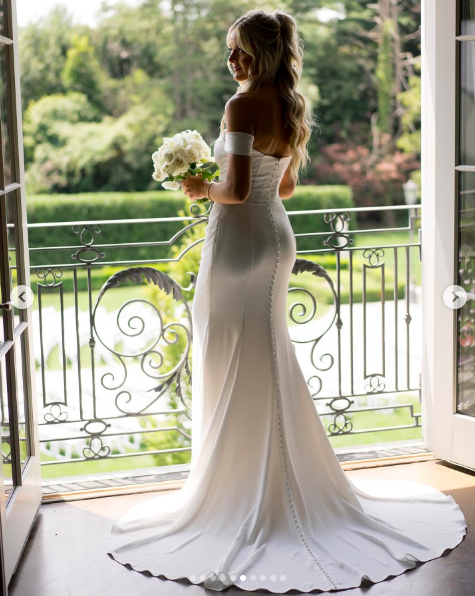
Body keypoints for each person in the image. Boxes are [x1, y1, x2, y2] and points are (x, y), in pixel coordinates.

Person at [107, 9, 467, 592]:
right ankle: (272, 481)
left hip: (241, 244)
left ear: (263, 54)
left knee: (232, 353)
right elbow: (285, 184)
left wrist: (202, 185)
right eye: (230, 51)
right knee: (266, 357)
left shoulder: (241, 105)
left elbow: (238, 190)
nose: (232, 63)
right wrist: (220, 173)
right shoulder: (287, 104)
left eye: (241, 52)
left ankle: (244, 489)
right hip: (276, 237)